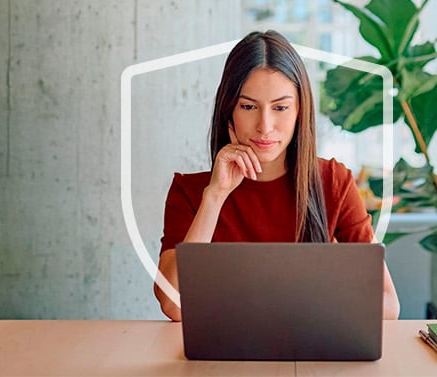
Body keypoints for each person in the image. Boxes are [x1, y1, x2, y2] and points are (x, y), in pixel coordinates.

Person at [152, 30, 400, 322]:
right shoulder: (190, 192)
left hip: (312, 355)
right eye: (248, 106)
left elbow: (387, 305)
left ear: (299, 112)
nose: (265, 126)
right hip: (224, 361)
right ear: (228, 111)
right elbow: (173, 304)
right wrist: (215, 196)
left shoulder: (333, 182)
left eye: (280, 107)